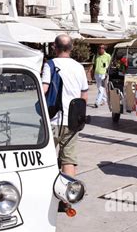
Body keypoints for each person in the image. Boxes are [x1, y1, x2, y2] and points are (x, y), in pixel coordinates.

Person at [41, 34, 88, 178]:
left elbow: (44, 89)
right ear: (71, 48)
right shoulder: (79, 67)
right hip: (72, 121)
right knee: (69, 161)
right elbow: (84, 96)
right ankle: (68, 197)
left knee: (45, 157)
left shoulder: (50, 65)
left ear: (54, 47)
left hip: (53, 121)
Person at [90, 44, 111, 108]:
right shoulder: (96, 55)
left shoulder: (108, 56)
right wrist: (92, 74)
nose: (99, 49)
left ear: (104, 49)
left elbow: (110, 65)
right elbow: (94, 65)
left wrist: (107, 74)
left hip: (103, 74)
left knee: (101, 88)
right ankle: (105, 100)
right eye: (99, 48)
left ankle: (97, 102)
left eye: (101, 48)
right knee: (99, 88)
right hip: (97, 74)